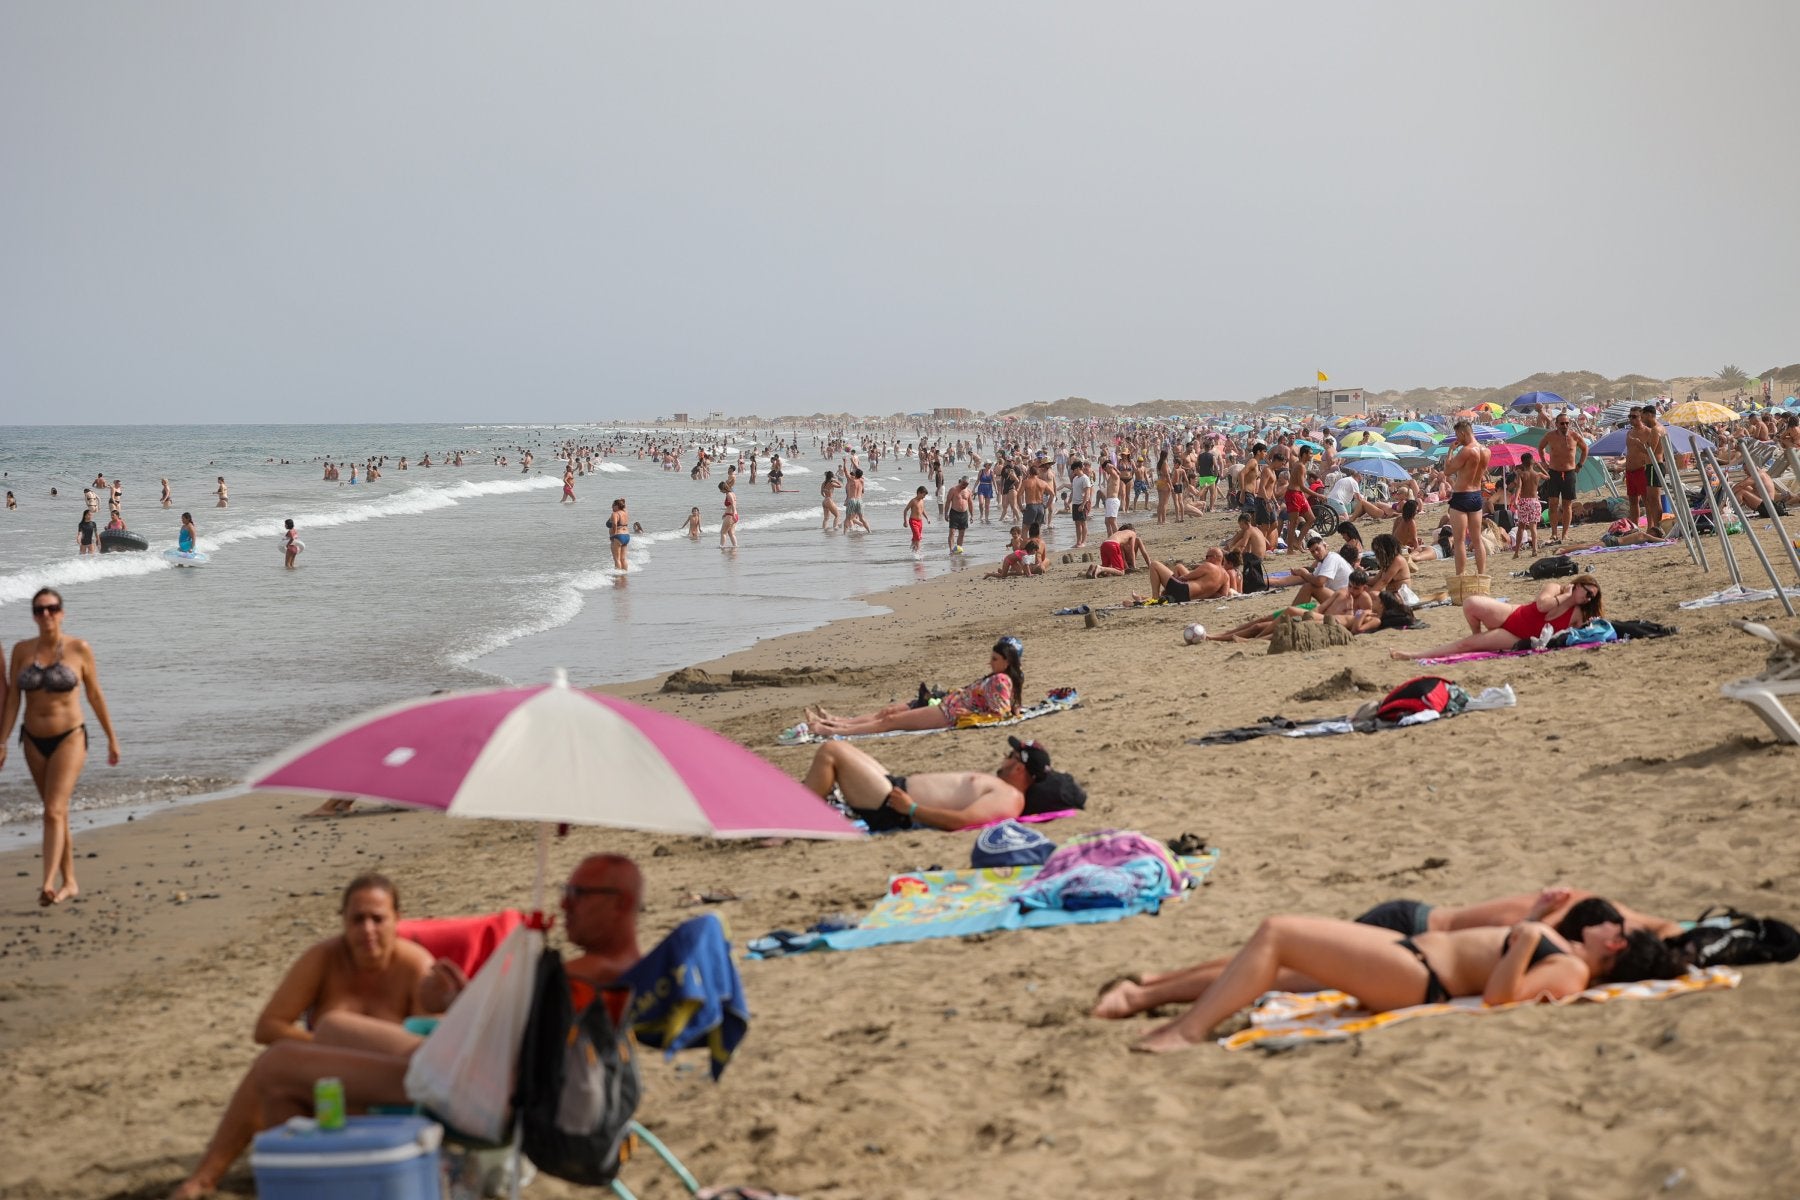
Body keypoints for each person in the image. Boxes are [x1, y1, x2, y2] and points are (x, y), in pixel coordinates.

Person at [169, 856, 643, 1200]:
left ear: (620, 904)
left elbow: (525, 1053)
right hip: (483, 1075)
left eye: (578, 894)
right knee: (331, 1028)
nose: (565, 902)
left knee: (278, 1066)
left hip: (481, 1094)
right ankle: (311, 1179)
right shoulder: (606, 969)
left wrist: (465, 1014)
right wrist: (462, 1008)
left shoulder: (591, 976)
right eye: (566, 889)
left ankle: (226, 1178)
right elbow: (531, 1043)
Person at [1130, 896, 1678, 1052]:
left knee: (1278, 932)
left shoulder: (1570, 974)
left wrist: (1529, 937)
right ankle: (1147, 998)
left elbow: (1498, 999)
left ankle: (1187, 1031)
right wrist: (1533, 928)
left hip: (1419, 977)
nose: (1605, 922)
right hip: (1410, 954)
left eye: (1613, 926)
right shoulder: (1564, 949)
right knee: (1281, 960)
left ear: (1616, 943)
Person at [0, 589, 122, 906]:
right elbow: (13, 699)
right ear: (33, 615)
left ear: (62, 612)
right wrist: (2, 740)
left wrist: (111, 737)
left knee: (53, 811)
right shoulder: (21, 650)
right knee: (58, 814)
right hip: (32, 741)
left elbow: (95, 695)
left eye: (52, 609)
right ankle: (69, 882)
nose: (46, 615)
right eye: (39, 610)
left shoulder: (79, 648)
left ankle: (46, 884)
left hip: (70, 737)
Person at [252, 873, 440, 1046]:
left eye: (377, 919)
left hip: (391, 1071)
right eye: (358, 919)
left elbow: (432, 1045)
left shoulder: (416, 966)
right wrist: (325, 1048)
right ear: (344, 920)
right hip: (329, 1069)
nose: (367, 930)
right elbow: (267, 1027)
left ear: (397, 919)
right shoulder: (323, 959)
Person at [801, 735, 1084, 831]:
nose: (1003, 757)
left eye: (1009, 755)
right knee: (839, 749)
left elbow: (964, 821)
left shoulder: (1011, 799)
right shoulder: (1007, 790)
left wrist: (911, 809)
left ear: (1020, 767)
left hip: (892, 806)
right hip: (895, 791)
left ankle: (789, 818)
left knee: (831, 751)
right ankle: (794, 807)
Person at [805, 638, 1023, 736]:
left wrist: (971, 712)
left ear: (1006, 661)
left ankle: (832, 730)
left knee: (889, 721)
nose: (990, 662)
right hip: (947, 707)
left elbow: (999, 713)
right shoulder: (997, 677)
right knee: (888, 718)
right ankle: (836, 724)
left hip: (949, 714)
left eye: (994, 659)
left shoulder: (1001, 680)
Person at [1390, 577, 1603, 660]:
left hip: (1516, 635)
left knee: (1465, 645)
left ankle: (1412, 655)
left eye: (1591, 597)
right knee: (1471, 602)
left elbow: (1588, 631)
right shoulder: (1555, 587)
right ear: (1578, 585)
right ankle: (1479, 636)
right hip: (1513, 613)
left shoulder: (1577, 613)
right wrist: (1565, 595)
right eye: (1587, 592)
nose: (1588, 598)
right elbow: (1541, 606)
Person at [1443, 419, 1491, 577]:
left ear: (1463, 433)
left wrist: (1450, 451)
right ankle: (1482, 574)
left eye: (1458, 435)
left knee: (1459, 540)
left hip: (1462, 495)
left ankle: (1461, 575)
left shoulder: (1466, 451)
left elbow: (1447, 471)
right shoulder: (1486, 451)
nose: (1457, 439)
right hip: (1477, 495)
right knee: (1477, 540)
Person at [1540, 412, 1587, 544]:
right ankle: (1554, 533)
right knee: (1553, 504)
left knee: (1567, 505)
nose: (1565, 425)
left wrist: (1580, 464)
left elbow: (1585, 449)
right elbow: (1540, 447)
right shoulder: (1550, 436)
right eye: (1562, 423)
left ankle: (1565, 534)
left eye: (1567, 423)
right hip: (1554, 472)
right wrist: (1544, 461)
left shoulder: (1574, 436)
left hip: (1569, 472)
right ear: (1556, 424)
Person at [1287, 534, 1353, 606]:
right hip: (1340, 596)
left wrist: (1303, 574)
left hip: (1347, 599)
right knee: (1309, 585)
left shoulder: (1332, 558)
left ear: (1324, 546)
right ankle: (1293, 611)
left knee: (1309, 587)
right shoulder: (1322, 562)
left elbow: (1319, 582)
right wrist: (1300, 573)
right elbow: (1312, 578)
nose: (1316, 553)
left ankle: (1292, 613)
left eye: (1318, 549)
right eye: (1312, 552)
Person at [1512, 453, 1547, 558]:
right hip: (1534, 501)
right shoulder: (1538, 474)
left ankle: (1517, 552)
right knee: (1533, 526)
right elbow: (1548, 476)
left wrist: (1515, 500)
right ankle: (1534, 549)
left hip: (1524, 501)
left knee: (1521, 527)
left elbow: (1519, 487)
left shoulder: (1521, 474)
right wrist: (1540, 466)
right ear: (1532, 462)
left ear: (1522, 463)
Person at [945, 476, 972, 552]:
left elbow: (970, 503)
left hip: (964, 514)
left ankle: (958, 549)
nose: (965, 486)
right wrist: (946, 514)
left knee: (962, 533)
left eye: (967, 484)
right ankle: (951, 550)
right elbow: (947, 502)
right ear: (960, 481)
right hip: (954, 513)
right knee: (952, 532)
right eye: (963, 484)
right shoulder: (953, 490)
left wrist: (972, 515)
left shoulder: (968, 491)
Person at [904, 486, 930, 552]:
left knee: (916, 537)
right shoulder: (913, 501)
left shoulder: (922, 501)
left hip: (920, 522)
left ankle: (913, 550)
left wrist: (927, 518)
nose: (924, 497)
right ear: (919, 493)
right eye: (923, 495)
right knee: (918, 537)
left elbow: (922, 510)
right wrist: (905, 521)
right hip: (913, 521)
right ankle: (918, 554)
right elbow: (906, 510)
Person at [607, 498, 631, 570]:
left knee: (616, 559)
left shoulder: (615, 514)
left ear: (617, 506)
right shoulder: (625, 512)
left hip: (618, 536)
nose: (612, 507)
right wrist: (623, 502)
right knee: (623, 559)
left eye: (613, 505)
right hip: (626, 536)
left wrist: (613, 535)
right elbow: (624, 507)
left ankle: (619, 577)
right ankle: (625, 574)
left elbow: (614, 524)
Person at [719, 479, 739, 549]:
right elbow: (730, 505)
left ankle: (722, 547)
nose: (720, 491)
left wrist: (732, 514)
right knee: (731, 533)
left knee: (723, 532)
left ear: (724, 488)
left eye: (720, 489)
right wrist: (725, 513)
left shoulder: (729, 495)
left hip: (731, 515)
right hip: (733, 515)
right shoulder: (732, 493)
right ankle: (735, 546)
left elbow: (733, 505)